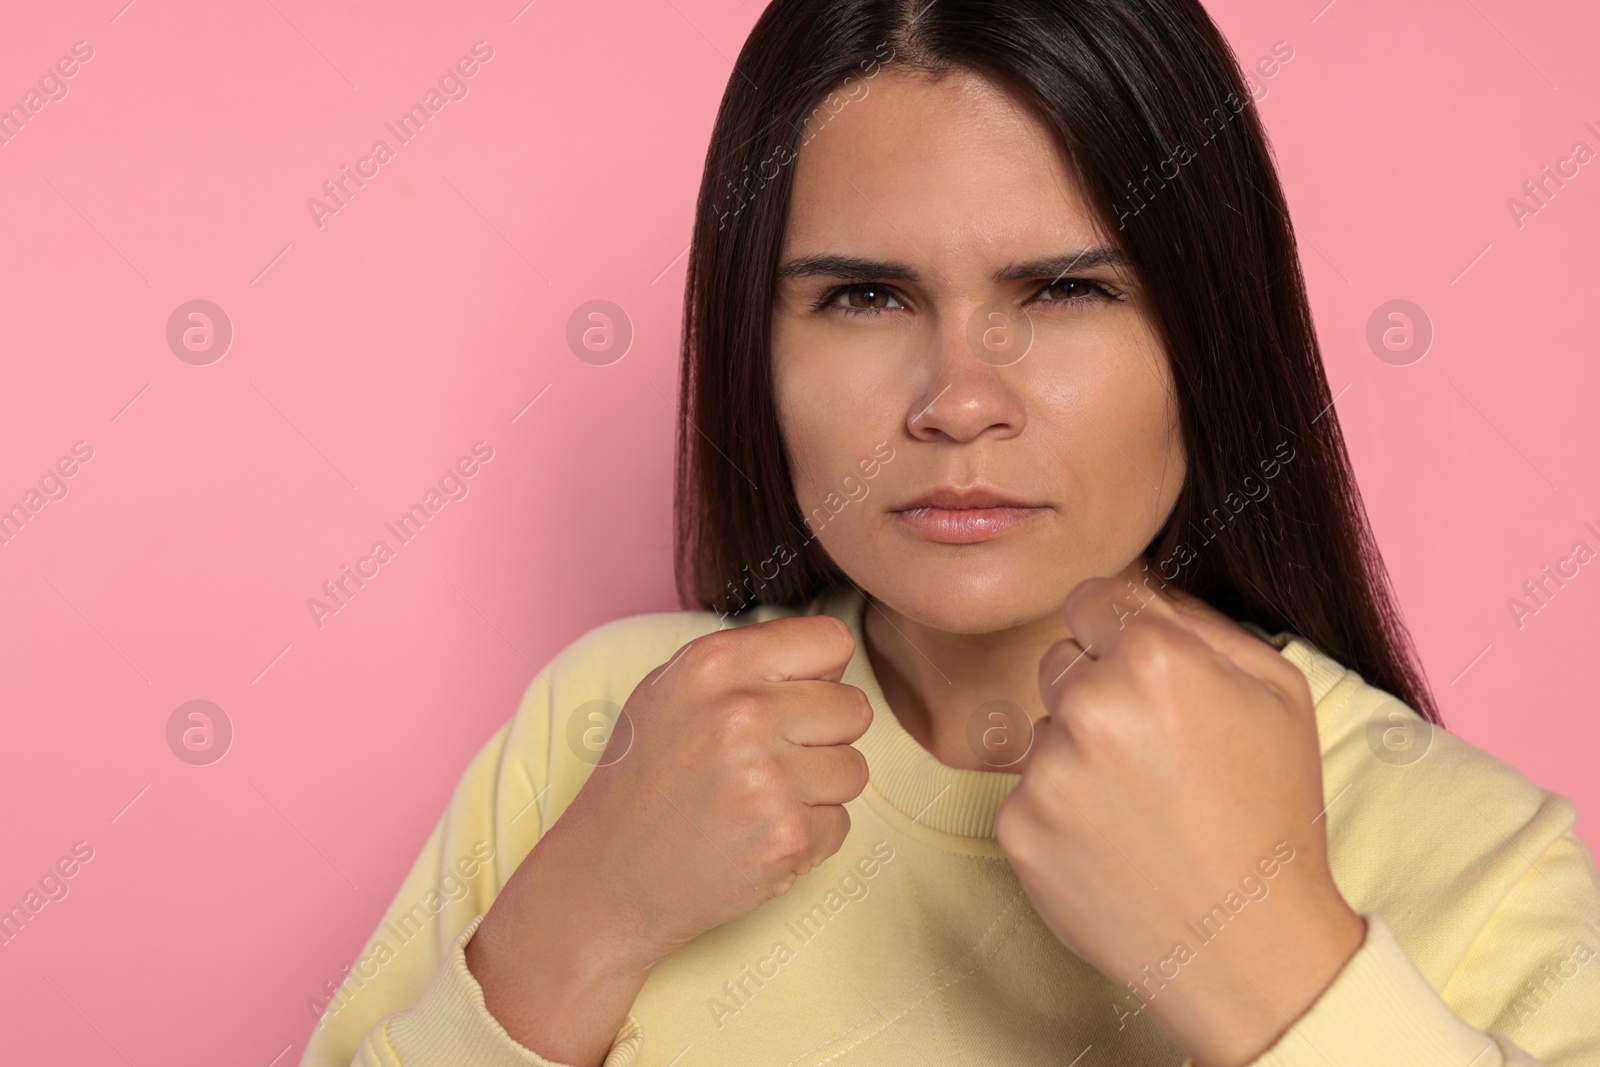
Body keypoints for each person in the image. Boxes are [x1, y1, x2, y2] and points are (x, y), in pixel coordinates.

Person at [299, 1, 1600, 1064]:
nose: (959, 401)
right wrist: (574, 929)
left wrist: (1268, 963)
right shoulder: (604, 735)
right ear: (755, 349)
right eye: (865, 297)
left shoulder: (1483, 866)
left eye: (1069, 290)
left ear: (1212, 334)